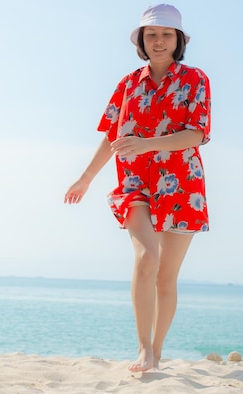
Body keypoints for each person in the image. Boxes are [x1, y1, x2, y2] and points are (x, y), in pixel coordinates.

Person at [64, 4, 211, 372]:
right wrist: (85, 177)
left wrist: (147, 144)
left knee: (166, 275)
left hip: (182, 185)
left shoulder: (196, 80)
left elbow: (197, 133)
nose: (158, 41)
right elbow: (111, 136)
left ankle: (157, 352)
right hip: (135, 184)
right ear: (141, 41)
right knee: (147, 259)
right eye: (151, 35)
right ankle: (143, 349)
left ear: (178, 40)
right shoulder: (127, 84)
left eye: (166, 35)